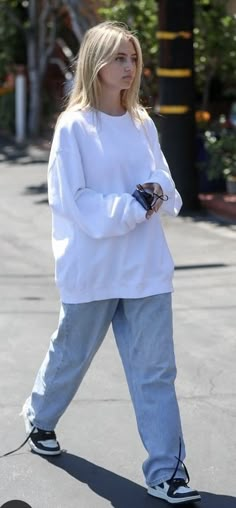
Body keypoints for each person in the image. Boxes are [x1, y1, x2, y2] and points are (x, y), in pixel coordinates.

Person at [22, 21, 201, 505]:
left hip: (145, 268)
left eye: (133, 58)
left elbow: (166, 184)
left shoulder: (143, 123)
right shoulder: (73, 126)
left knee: (155, 372)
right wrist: (130, 206)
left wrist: (158, 194)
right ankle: (40, 418)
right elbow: (74, 202)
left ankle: (167, 473)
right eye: (120, 58)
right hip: (93, 268)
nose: (129, 67)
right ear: (95, 64)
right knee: (72, 355)